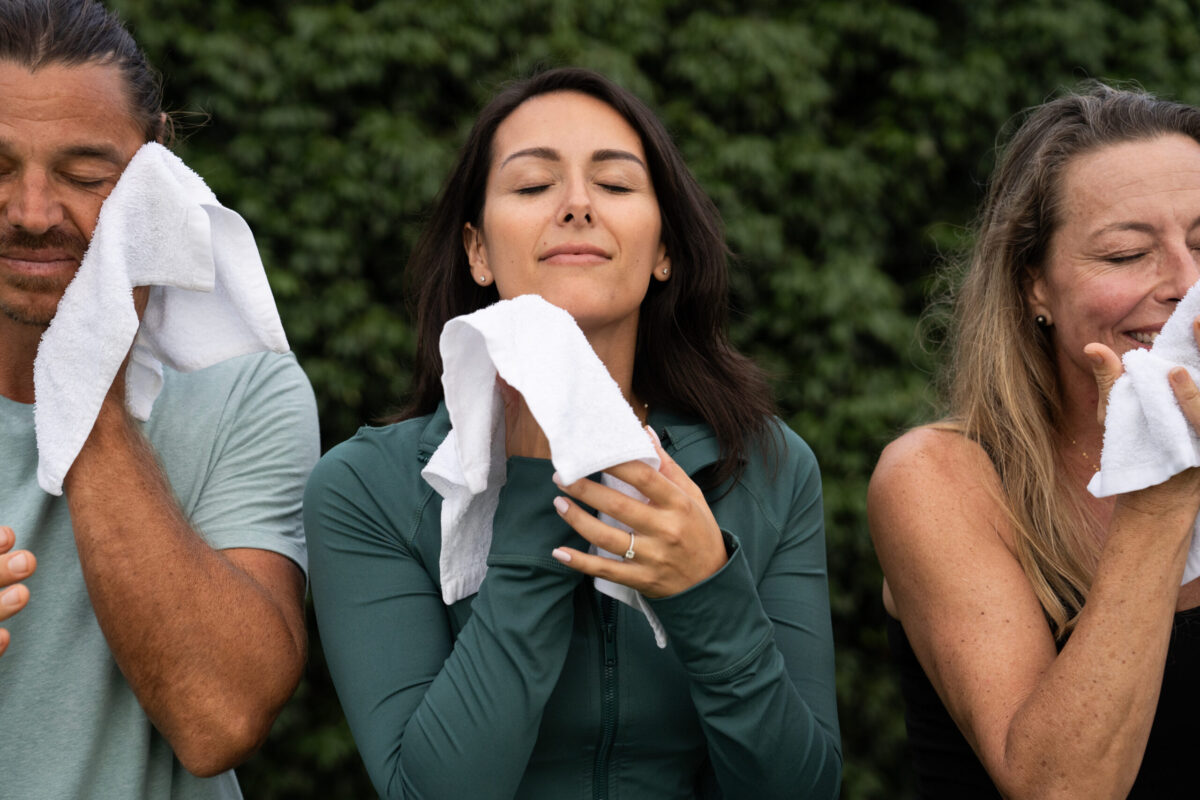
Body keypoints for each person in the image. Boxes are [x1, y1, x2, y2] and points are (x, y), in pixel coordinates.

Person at [304, 67, 842, 799]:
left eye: (616, 187)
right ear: (478, 252)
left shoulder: (769, 468)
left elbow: (801, 790)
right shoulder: (367, 488)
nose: (578, 205)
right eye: (532, 187)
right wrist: (533, 495)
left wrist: (706, 590)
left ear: (663, 253)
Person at [0, 2, 319, 797]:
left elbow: (220, 718)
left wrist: (89, 384)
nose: (33, 213)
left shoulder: (245, 391)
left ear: (155, 174)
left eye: (84, 177)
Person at [870, 82, 1200, 798]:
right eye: (1124, 255)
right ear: (1035, 288)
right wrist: (1165, 489)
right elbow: (1064, 787)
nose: (1185, 281)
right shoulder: (940, 479)